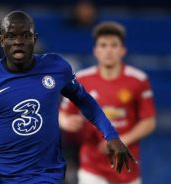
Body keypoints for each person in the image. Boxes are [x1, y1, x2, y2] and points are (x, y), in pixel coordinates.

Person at [0, 11, 136, 184]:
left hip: (45, 174)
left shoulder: (56, 67)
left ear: (34, 39)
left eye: (25, 35)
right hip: (0, 176)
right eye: (11, 36)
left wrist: (111, 135)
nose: (18, 42)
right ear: (1, 41)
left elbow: (85, 101)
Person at [59, 21, 156, 184]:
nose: (108, 50)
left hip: (127, 169)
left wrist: (121, 140)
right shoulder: (82, 79)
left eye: (114, 45)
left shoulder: (138, 80)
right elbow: (62, 114)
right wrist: (64, 121)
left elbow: (149, 121)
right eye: (103, 45)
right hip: (92, 168)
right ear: (95, 51)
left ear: (123, 50)